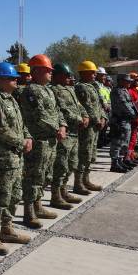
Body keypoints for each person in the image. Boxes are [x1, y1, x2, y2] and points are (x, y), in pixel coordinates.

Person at [0, 62, 32, 255]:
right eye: (12, 79)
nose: (16, 82)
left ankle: (7, 229)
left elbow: (20, 124)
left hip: (15, 157)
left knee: (15, 194)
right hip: (2, 157)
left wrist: (27, 137)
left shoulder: (10, 99)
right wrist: (21, 142)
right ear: (1, 80)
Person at [18, 54, 69, 227]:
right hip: (39, 140)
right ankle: (29, 212)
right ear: (37, 71)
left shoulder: (48, 90)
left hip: (51, 141)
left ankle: (38, 206)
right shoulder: (31, 91)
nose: (50, 74)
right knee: (33, 177)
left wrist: (62, 125)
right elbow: (39, 116)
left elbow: (58, 111)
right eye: (47, 71)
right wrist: (56, 129)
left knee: (45, 175)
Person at [51, 63, 86, 205]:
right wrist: (79, 119)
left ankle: (64, 190)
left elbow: (79, 105)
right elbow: (62, 109)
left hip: (74, 133)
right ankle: (56, 195)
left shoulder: (69, 89)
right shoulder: (54, 90)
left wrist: (85, 115)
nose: (69, 77)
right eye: (66, 75)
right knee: (61, 165)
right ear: (58, 75)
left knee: (72, 164)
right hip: (65, 133)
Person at [74, 61, 106, 194]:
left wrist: (103, 117)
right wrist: (96, 119)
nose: (95, 75)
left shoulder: (93, 86)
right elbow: (86, 106)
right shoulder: (80, 87)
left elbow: (99, 105)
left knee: (91, 154)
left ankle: (86, 180)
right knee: (84, 154)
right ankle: (78, 183)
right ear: (84, 73)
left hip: (95, 126)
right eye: (92, 72)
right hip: (87, 127)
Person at [109, 74, 138, 172]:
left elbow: (131, 103)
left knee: (125, 142)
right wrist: (134, 114)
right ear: (121, 81)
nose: (129, 82)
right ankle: (114, 164)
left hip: (126, 120)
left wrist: (136, 112)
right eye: (127, 81)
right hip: (119, 120)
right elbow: (124, 105)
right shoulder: (117, 91)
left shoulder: (124, 90)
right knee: (118, 142)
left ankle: (120, 161)